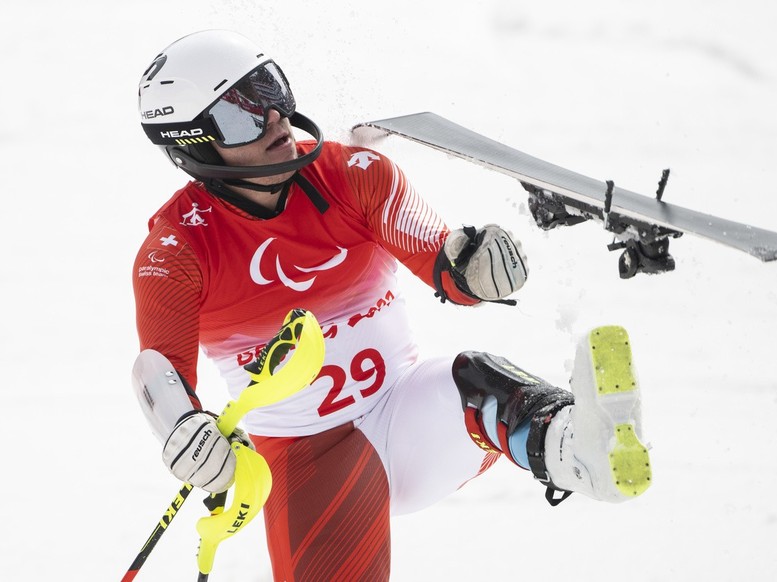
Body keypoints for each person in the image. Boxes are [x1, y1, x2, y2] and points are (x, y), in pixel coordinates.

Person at [132, 29, 651, 581]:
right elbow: (158, 373)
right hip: (310, 461)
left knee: (476, 381)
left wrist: (474, 270)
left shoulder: (353, 175)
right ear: (192, 146)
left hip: (409, 412)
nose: (275, 120)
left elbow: (440, 258)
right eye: (242, 117)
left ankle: (580, 445)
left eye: (271, 91)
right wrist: (186, 431)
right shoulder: (175, 252)